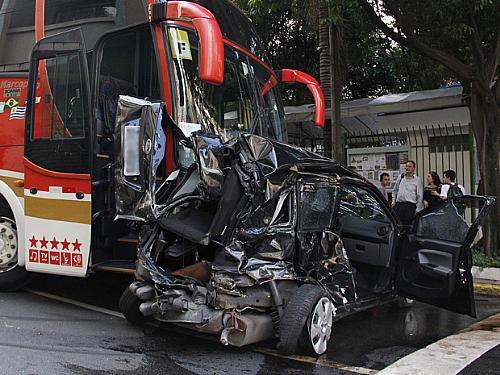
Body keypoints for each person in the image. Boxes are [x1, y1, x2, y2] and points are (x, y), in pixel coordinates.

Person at [392, 161, 423, 225]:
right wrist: (393, 201)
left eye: (409, 166)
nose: (407, 168)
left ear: (414, 168)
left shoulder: (417, 180)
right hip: (399, 205)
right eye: (406, 166)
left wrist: (418, 209)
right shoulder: (400, 177)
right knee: (397, 224)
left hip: (410, 206)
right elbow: (395, 190)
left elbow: (420, 196)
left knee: (407, 225)